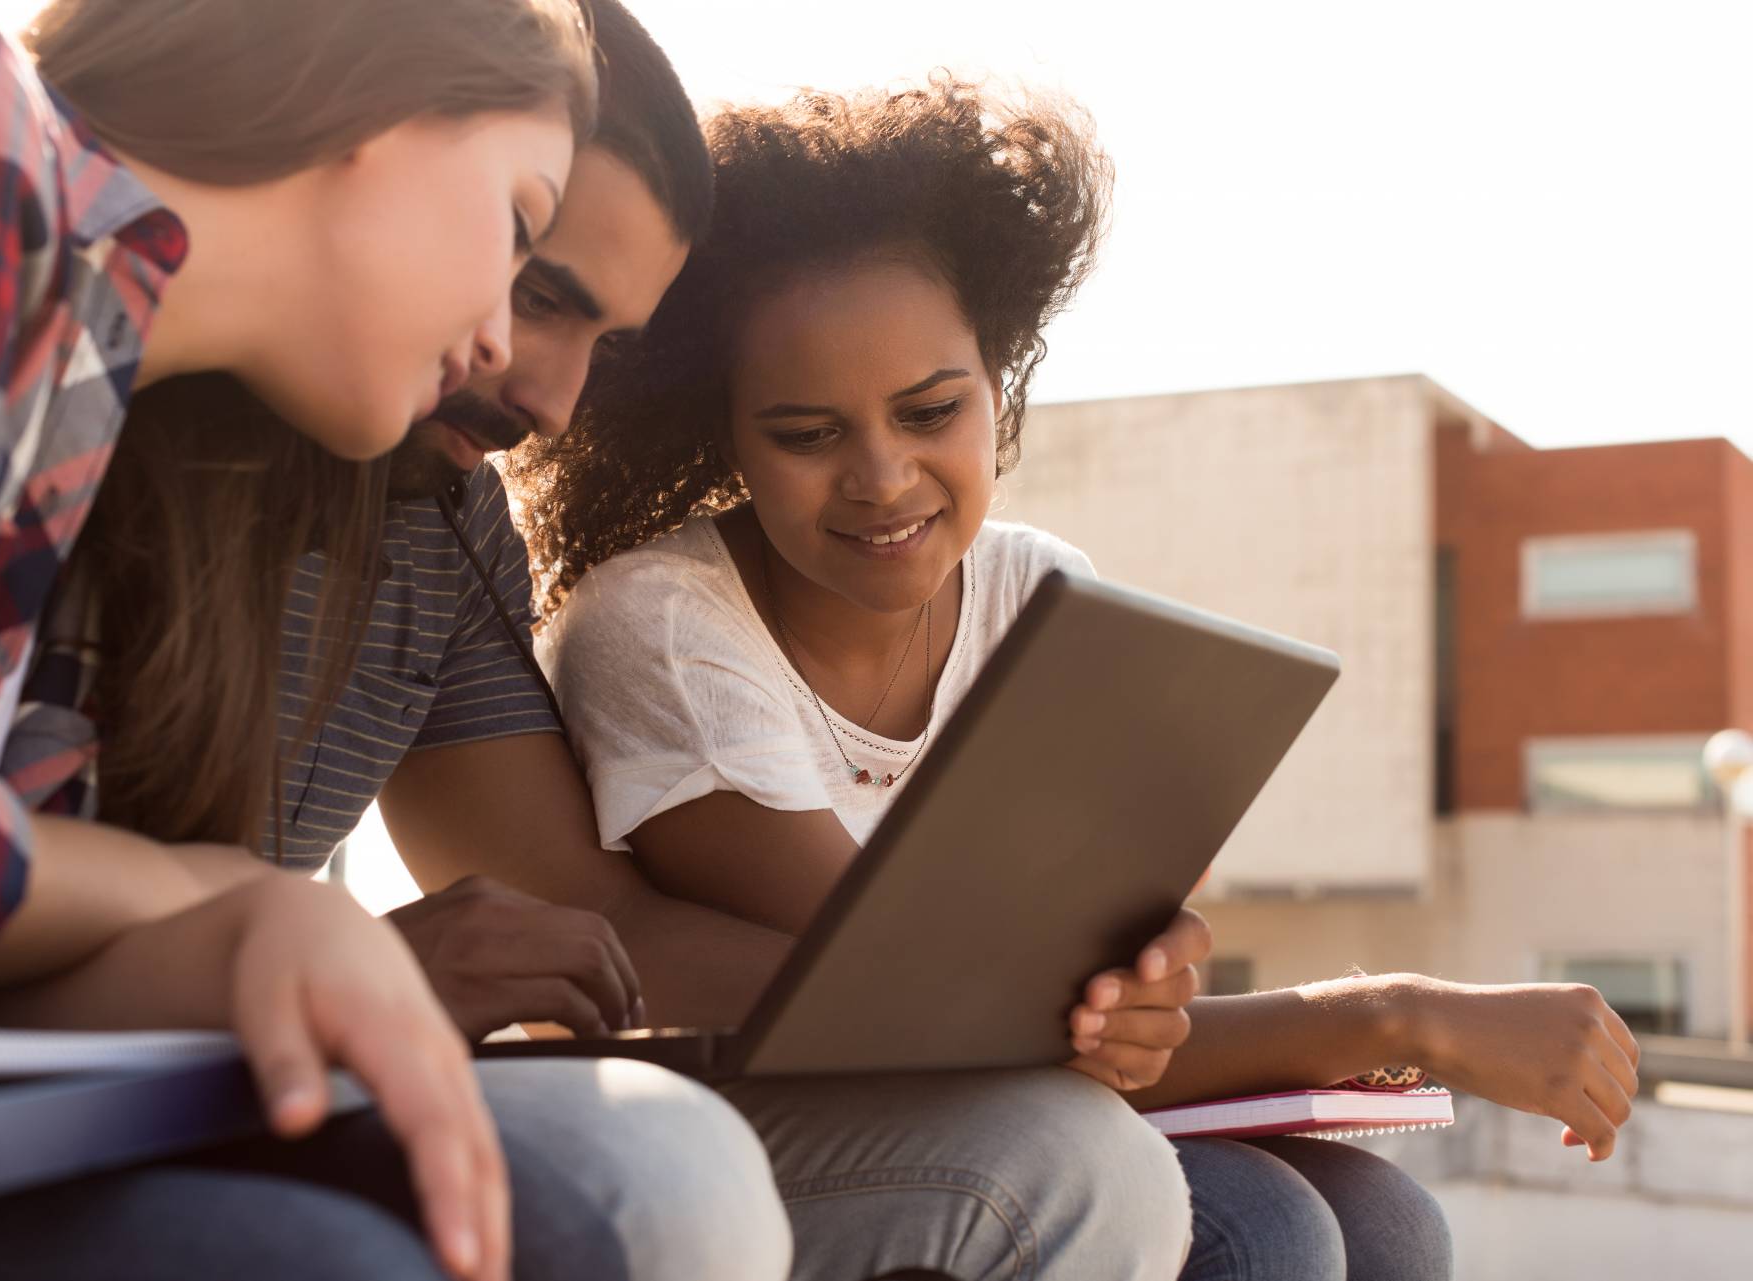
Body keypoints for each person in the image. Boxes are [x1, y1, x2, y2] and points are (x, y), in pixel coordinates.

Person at [523, 78, 1646, 1280]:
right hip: (789, 1137)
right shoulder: (663, 626)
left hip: (1007, 1105)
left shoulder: (1039, 595)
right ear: (725, 433)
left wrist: (1145, 989)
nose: (884, 477)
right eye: (807, 434)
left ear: (996, 382)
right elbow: (946, 1017)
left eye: (932, 410)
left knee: (1384, 1223)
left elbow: (1080, 1006)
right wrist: (1399, 1019)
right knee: (1264, 1232)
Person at [0, 4, 788, 1280]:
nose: (526, 367)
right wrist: (238, 903)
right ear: (373, 105)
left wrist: (267, 943)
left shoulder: (74, 396)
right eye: (519, 233)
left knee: (636, 1179)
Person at [243, 11, 1195, 1279]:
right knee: (1032, 1170)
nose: (549, 403)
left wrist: (1055, 991)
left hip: (268, 1059)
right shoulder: (75, 418)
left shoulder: (451, 522)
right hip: (182, 1065)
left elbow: (584, 914)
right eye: (533, 288)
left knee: (1289, 1204)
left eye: (606, 343)